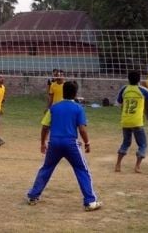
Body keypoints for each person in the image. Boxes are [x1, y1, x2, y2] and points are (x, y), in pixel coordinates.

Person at [26, 81, 102, 211]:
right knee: (82, 170)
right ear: (76, 93)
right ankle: (90, 201)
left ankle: (33, 196)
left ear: (62, 92)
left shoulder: (54, 108)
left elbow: (45, 126)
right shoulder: (78, 108)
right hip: (70, 144)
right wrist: (87, 143)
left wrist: (42, 143)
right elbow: (82, 129)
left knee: (46, 168)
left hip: (54, 143)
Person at [115, 71, 148, 173]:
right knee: (143, 144)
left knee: (126, 143)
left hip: (125, 120)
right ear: (139, 79)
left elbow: (118, 103)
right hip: (137, 121)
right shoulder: (142, 89)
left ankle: (118, 164)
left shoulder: (124, 89)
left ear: (128, 79)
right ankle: (137, 166)